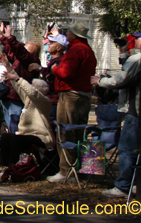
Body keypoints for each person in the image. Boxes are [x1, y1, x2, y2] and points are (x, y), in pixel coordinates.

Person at [91, 33, 141, 198]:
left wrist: (100, 81)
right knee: (137, 148)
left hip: (133, 109)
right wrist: (123, 53)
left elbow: (121, 78)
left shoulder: (137, 59)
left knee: (126, 149)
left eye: (135, 39)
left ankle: (123, 186)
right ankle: (135, 183)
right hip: (139, 110)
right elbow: (127, 68)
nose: (130, 42)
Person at [47, 21, 97, 183]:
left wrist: (54, 69)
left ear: (74, 34)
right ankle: (85, 169)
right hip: (85, 94)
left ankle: (65, 170)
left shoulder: (76, 50)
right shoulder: (88, 50)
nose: (67, 34)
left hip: (70, 94)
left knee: (66, 130)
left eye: (69, 32)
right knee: (80, 132)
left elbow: (66, 73)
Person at [0, 69, 54, 170]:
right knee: (5, 137)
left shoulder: (45, 102)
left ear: (38, 90)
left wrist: (18, 79)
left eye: (32, 86)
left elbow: (32, 92)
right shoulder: (29, 101)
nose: (28, 89)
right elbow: (19, 88)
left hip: (41, 136)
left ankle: (13, 166)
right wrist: (9, 68)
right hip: (26, 134)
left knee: (16, 139)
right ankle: (5, 166)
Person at [0, 23, 41, 134]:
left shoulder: (31, 61)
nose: (22, 49)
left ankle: (17, 148)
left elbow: (20, 52)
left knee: (15, 126)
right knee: (10, 124)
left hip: (16, 98)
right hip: (9, 96)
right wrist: (3, 38)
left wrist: (10, 38)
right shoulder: (20, 60)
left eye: (26, 49)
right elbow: (11, 51)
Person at [40, 32, 68, 118]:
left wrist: (40, 69)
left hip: (55, 101)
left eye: (52, 43)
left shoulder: (61, 62)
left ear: (59, 48)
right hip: (50, 99)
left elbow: (53, 79)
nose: (49, 43)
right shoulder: (53, 60)